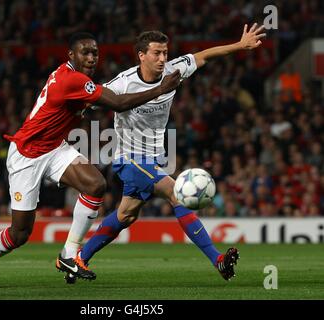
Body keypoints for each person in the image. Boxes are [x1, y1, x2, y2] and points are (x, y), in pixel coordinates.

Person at [0, 32, 181, 289]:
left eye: (95, 53)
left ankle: (69, 253)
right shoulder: (71, 80)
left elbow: (87, 104)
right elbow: (119, 104)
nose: (91, 58)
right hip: (27, 154)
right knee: (20, 233)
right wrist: (160, 89)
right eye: (85, 53)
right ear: (71, 55)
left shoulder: (76, 80)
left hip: (55, 148)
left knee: (96, 185)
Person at [72, 24, 266, 283]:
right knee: (178, 195)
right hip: (128, 159)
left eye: (165, 53)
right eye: (156, 53)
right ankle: (217, 259)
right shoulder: (123, 83)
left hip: (152, 159)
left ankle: (79, 258)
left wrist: (240, 45)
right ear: (141, 55)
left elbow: (204, 55)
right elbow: (91, 97)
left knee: (126, 215)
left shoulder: (174, 70)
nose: (163, 58)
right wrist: (80, 108)